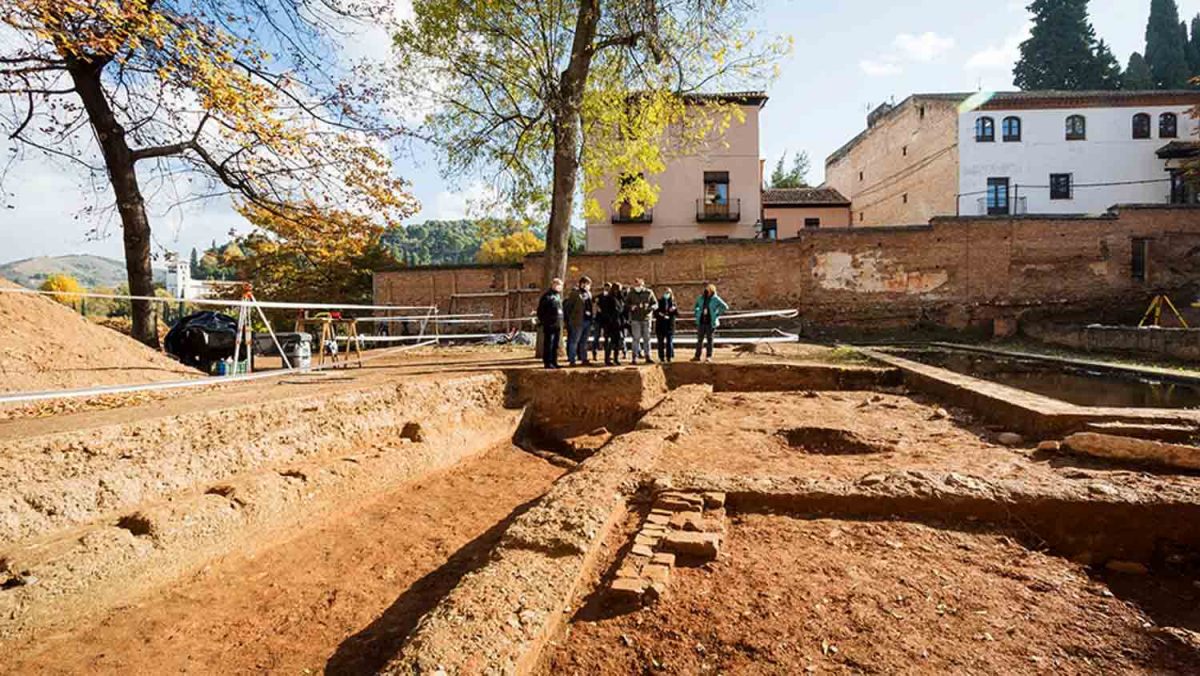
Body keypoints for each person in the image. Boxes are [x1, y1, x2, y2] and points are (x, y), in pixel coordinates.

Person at [692, 283, 728, 362]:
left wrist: (717, 313)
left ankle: (709, 356)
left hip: (710, 322)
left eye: (708, 289)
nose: (706, 290)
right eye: (706, 289)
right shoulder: (700, 298)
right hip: (701, 321)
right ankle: (697, 356)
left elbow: (725, 306)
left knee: (709, 340)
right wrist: (697, 312)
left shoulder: (715, 298)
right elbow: (696, 306)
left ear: (712, 290)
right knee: (699, 340)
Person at [563, 276, 594, 366]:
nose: (587, 286)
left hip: (587, 321)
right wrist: (570, 320)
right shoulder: (575, 294)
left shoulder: (589, 294)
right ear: (581, 284)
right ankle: (572, 360)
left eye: (588, 285)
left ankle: (584, 358)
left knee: (584, 341)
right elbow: (568, 307)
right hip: (577, 322)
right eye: (586, 284)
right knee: (574, 341)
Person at [625, 278, 656, 365]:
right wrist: (631, 307)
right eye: (636, 285)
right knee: (636, 338)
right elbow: (626, 304)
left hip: (646, 318)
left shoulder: (649, 292)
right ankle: (634, 357)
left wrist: (651, 308)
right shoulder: (631, 293)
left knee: (647, 338)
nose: (637, 286)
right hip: (635, 319)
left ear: (643, 284)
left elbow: (655, 303)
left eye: (639, 285)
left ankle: (648, 356)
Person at [536, 278, 564, 369]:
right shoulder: (547, 296)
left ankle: (554, 361)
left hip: (557, 323)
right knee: (549, 344)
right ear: (553, 285)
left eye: (561, 285)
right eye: (558, 285)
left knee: (555, 344)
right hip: (549, 324)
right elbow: (540, 311)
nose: (560, 287)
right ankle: (548, 362)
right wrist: (544, 321)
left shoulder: (558, 296)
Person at [598, 281, 624, 366]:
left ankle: (616, 359)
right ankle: (607, 359)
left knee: (617, 342)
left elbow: (622, 310)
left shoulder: (620, 298)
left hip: (618, 323)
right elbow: (605, 311)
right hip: (609, 323)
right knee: (610, 342)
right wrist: (609, 321)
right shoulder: (609, 298)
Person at [654, 287, 679, 363]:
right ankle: (661, 357)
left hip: (669, 325)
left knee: (669, 342)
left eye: (668, 293)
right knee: (660, 342)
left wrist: (674, 310)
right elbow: (655, 313)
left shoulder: (673, 302)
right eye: (665, 292)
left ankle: (669, 357)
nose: (666, 294)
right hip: (660, 325)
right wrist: (660, 314)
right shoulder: (659, 302)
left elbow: (677, 314)